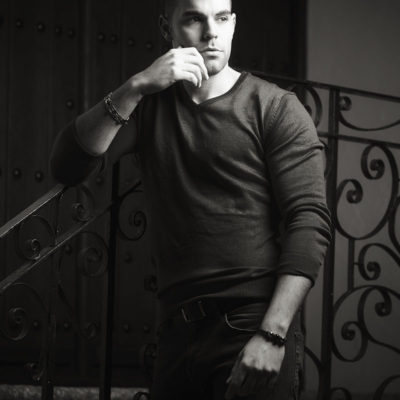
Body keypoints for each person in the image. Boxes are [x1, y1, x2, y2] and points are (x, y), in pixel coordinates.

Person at [50, 0, 332, 398]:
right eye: (195, 18)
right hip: (176, 330)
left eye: (221, 18)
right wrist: (135, 87)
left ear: (233, 24)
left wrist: (273, 333)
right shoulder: (148, 107)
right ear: (167, 28)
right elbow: (67, 167)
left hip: (252, 322)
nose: (211, 32)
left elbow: (309, 222)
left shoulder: (275, 107)